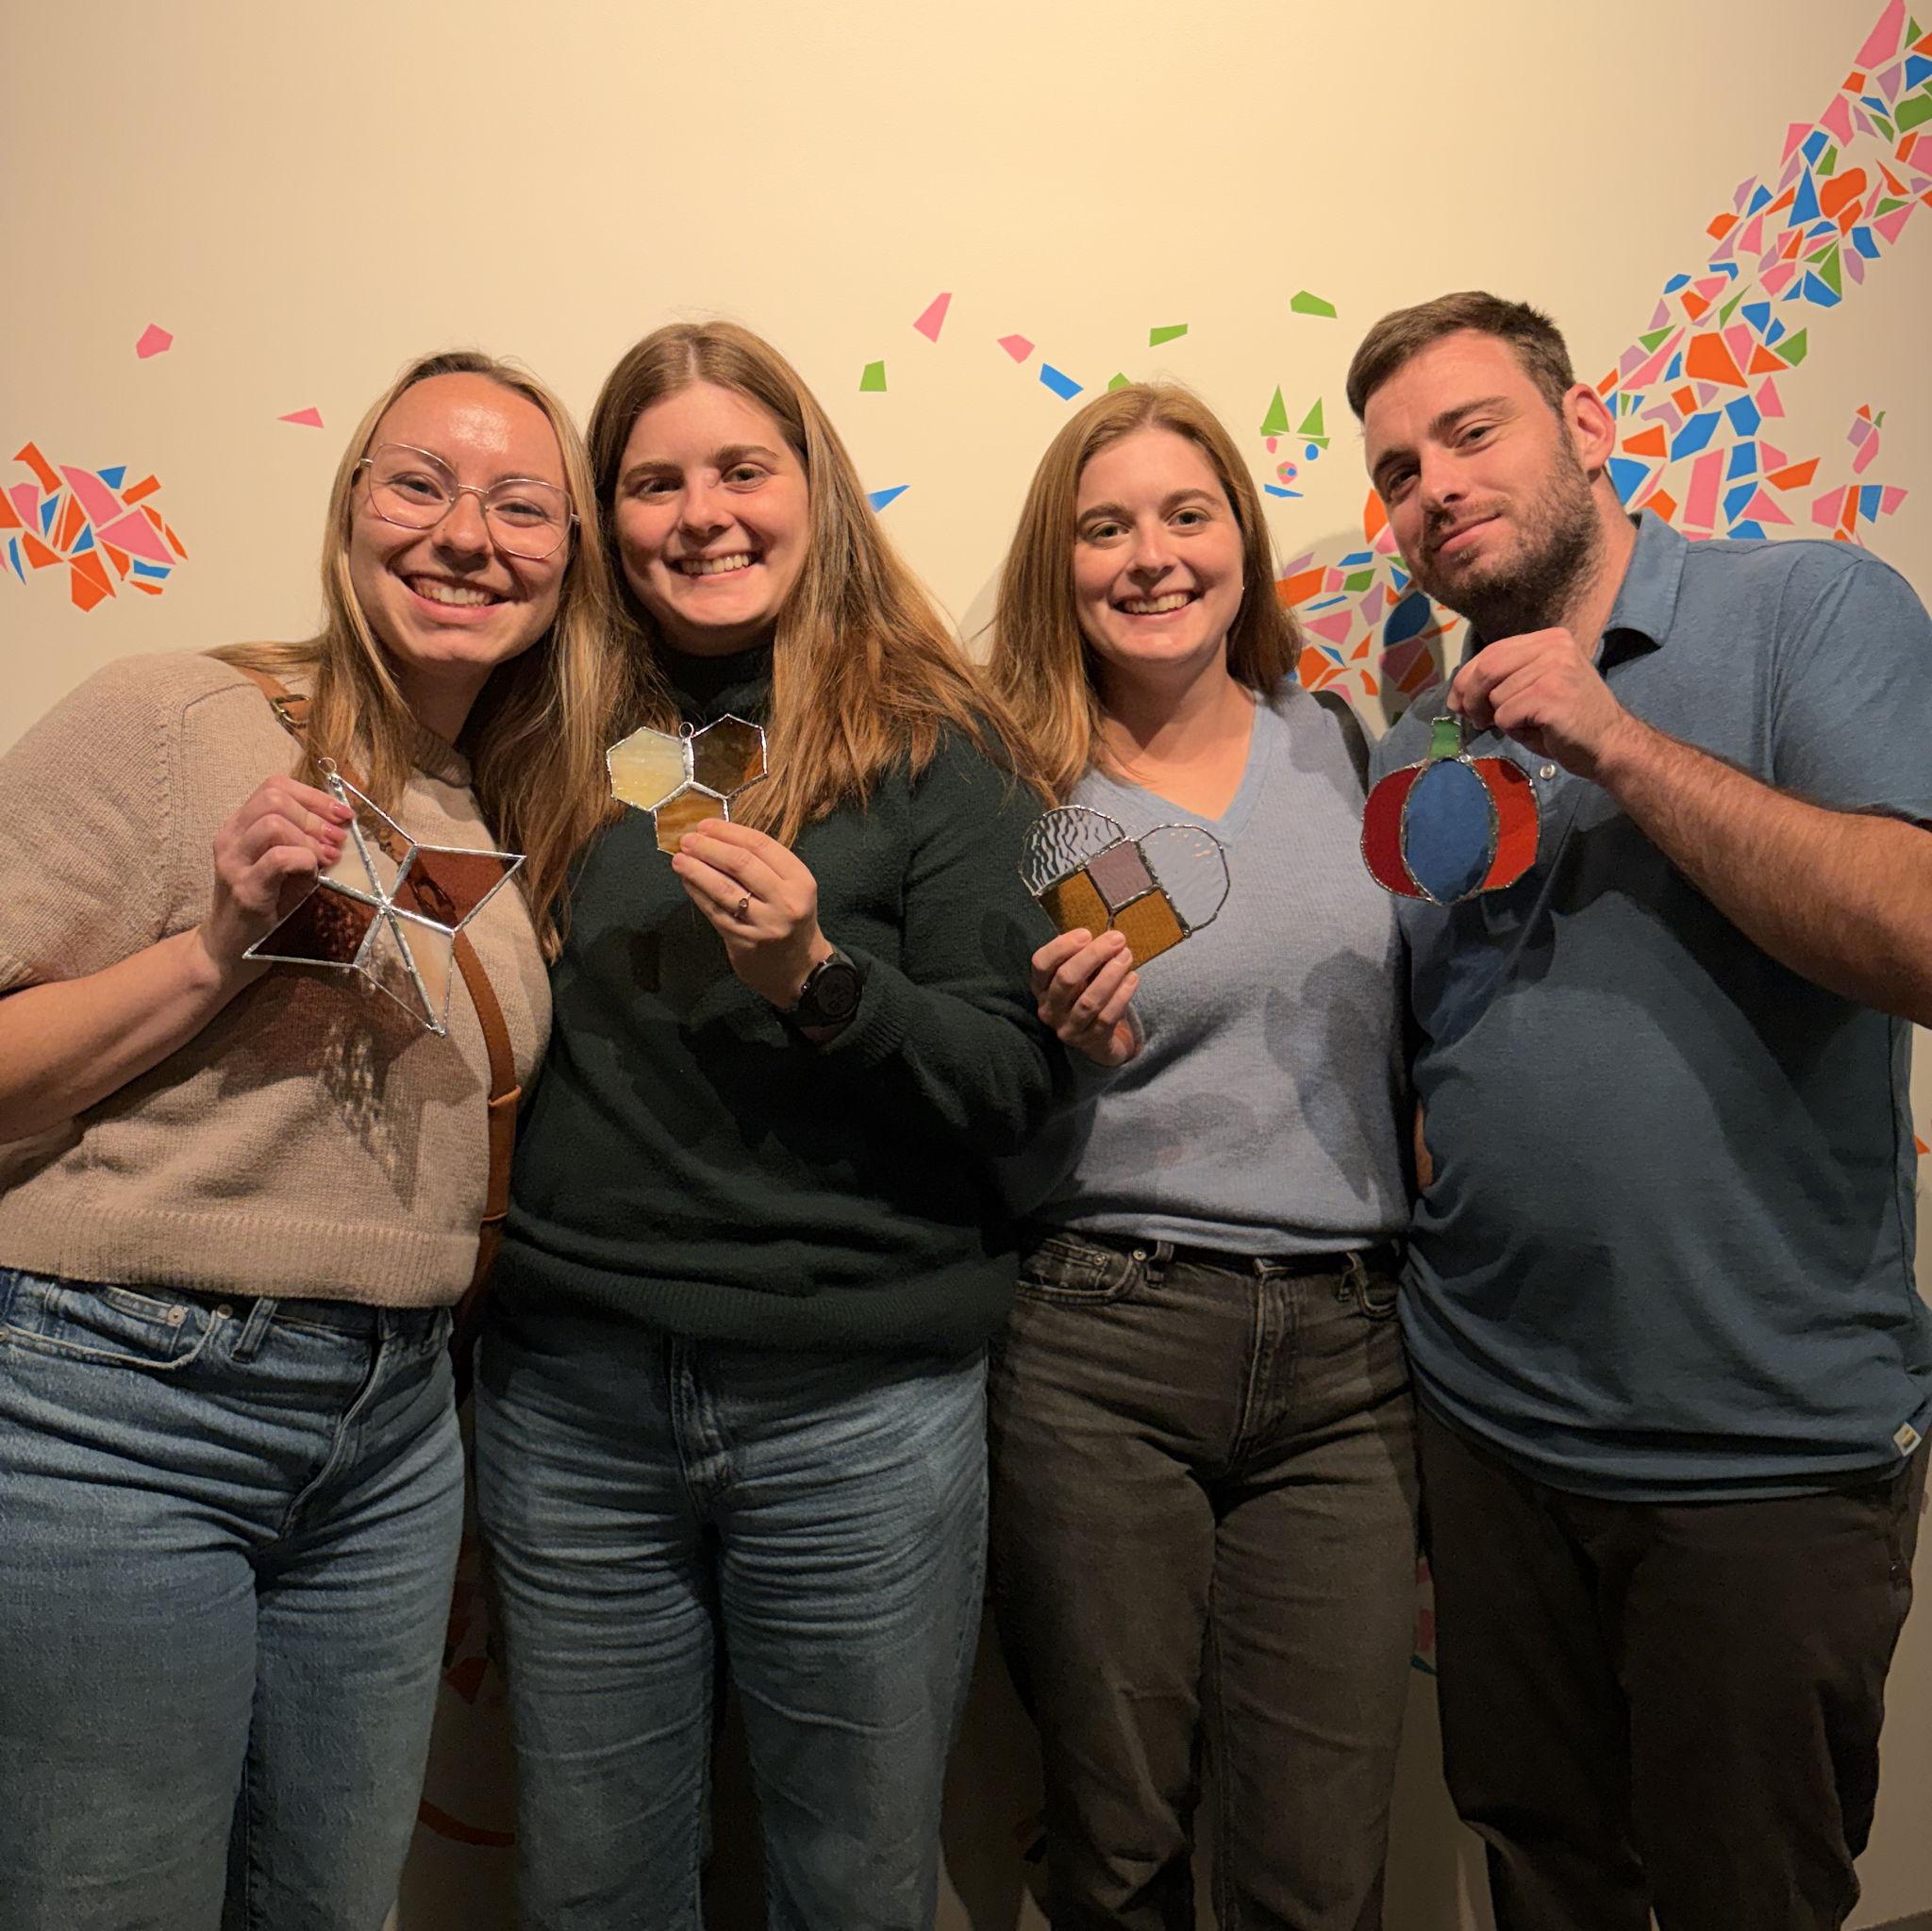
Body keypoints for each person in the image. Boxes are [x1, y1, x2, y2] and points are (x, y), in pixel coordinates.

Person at [0, 349, 620, 1929]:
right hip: (119, 1409)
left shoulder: (502, 806)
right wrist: (216, 948)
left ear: (569, 560)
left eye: (521, 506)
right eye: (420, 485)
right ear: (349, 510)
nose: (466, 534)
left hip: (393, 1439)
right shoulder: (175, 714)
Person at [1346, 289, 1932, 1931]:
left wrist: (1620, 745)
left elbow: (1915, 935)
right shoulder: (1416, 743)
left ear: (1585, 424)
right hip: (1491, 1431)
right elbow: (1433, 1052)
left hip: (1760, 1447)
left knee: (1748, 1893)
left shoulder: (1807, 607)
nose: (1436, 487)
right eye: (1397, 471)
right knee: (1544, 1881)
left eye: (1472, 432)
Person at [472, 318, 1062, 1931]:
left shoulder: (936, 745)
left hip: (855, 1405)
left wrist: (819, 978)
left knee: (853, 1890)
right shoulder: (546, 730)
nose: (702, 515)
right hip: (576, 1399)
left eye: (742, 468)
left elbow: (1019, 1083)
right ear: (607, 520)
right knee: (592, 1892)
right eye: (653, 482)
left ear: (815, 486)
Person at [982, 382, 1419, 1931]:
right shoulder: (1011, 787)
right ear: (1059, 562)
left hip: (1352, 1358)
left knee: (1322, 1869)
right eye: (1105, 527)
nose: (1151, 556)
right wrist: (1051, 1045)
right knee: (1117, 1853)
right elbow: (953, 1084)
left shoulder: (1345, 746)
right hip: (1100, 1342)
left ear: (1242, 534)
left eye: (1188, 514)